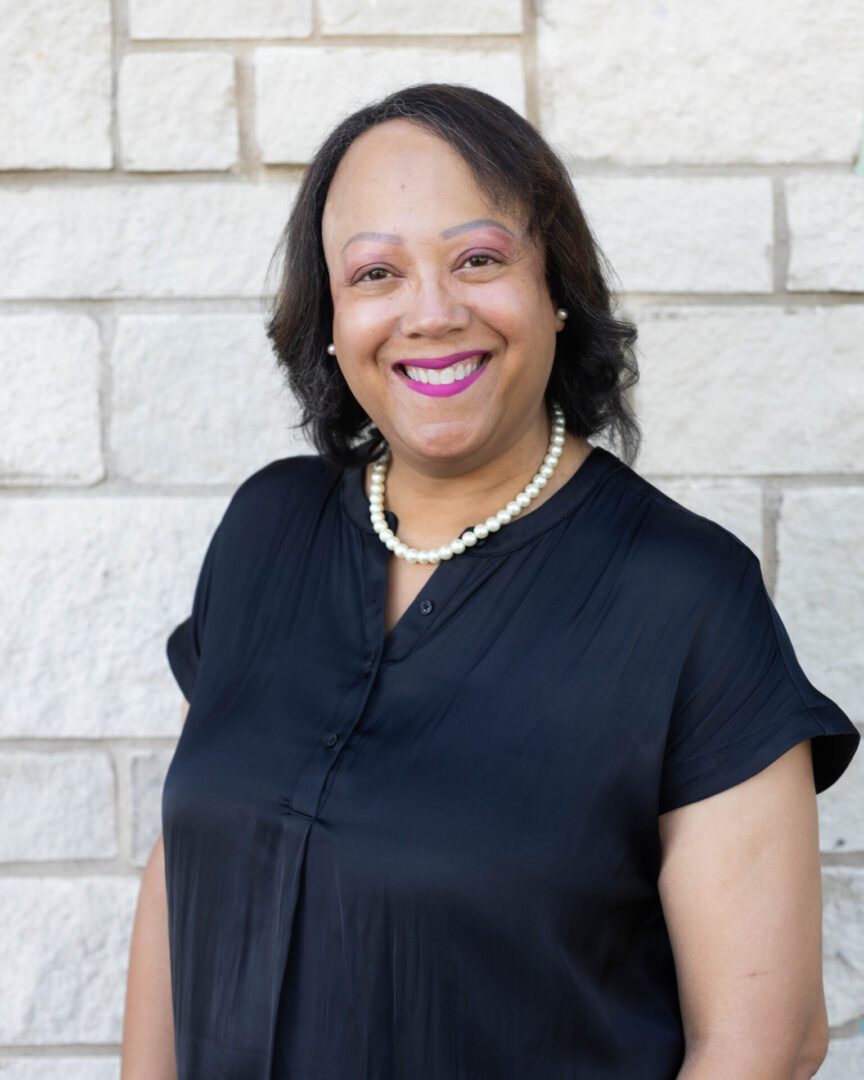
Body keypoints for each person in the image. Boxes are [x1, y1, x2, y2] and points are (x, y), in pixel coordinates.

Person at [121, 83, 860, 1080]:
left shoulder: (687, 602)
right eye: (376, 272)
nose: (431, 311)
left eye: (478, 258)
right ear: (332, 320)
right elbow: (185, 870)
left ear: (555, 284)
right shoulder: (266, 530)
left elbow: (765, 1041)